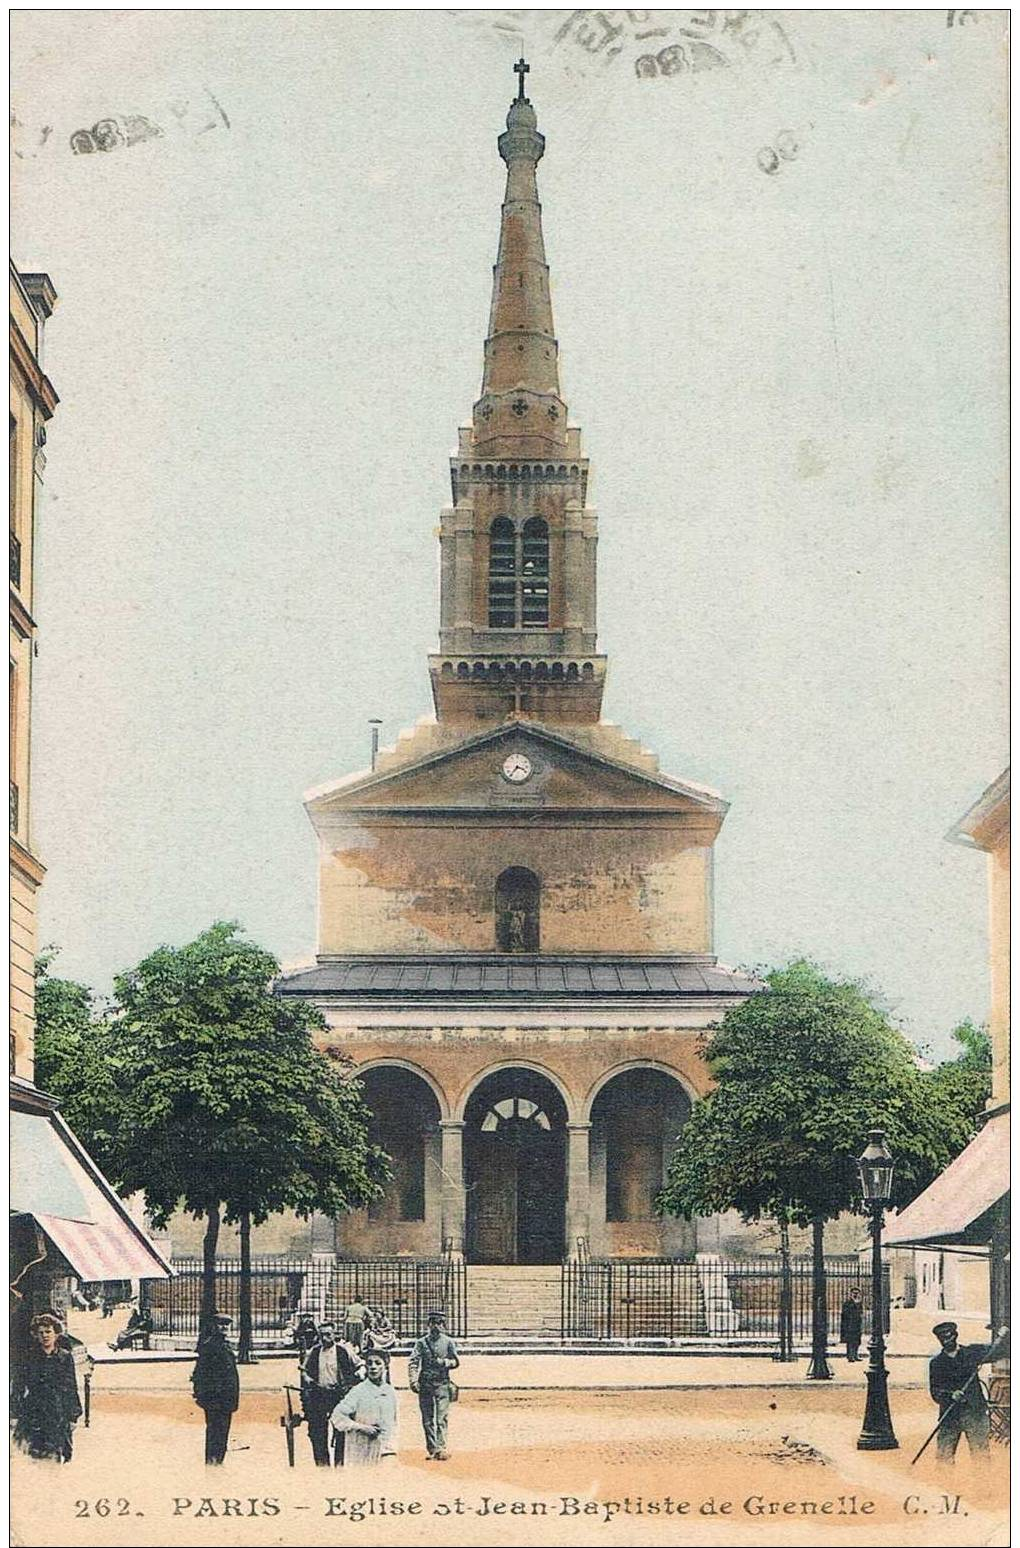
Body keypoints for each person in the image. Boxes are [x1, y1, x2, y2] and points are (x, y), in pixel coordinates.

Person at [12, 1313, 83, 1462]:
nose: (45, 1336)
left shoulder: (64, 1357)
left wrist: (73, 1416)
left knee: (56, 1453)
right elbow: (19, 1385)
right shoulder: (29, 1357)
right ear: (36, 1335)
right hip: (33, 1411)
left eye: (48, 1331)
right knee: (32, 1454)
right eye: (41, 1332)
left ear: (56, 1333)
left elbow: (70, 1387)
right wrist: (14, 1413)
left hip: (57, 1412)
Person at [928, 1321, 992, 1464]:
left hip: (974, 1412)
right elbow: (935, 1391)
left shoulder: (971, 1353)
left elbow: (996, 1351)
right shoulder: (937, 1363)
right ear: (939, 1340)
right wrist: (951, 1395)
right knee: (944, 1457)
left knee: (981, 1456)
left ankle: (983, 1485)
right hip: (950, 1414)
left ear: (955, 1336)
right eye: (943, 1339)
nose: (947, 1341)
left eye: (949, 1337)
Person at [300, 1321, 363, 1466]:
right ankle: (322, 1465)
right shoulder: (314, 1351)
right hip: (320, 1394)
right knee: (317, 1431)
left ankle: (340, 1463)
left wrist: (359, 1373)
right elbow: (304, 1370)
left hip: (339, 1395)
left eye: (328, 1334)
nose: (325, 1338)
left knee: (342, 1430)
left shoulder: (344, 1350)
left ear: (334, 1335)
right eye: (322, 1335)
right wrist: (307, 1379)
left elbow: (360, 1364)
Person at [329, 1351, 398, 1466]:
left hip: (385, 1451)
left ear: (385, 1366)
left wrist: (391, 1448)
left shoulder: (390, 1392)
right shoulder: (358, 1391)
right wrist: (362, 1428)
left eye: (377, 1363)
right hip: (361, 1451)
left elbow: (394, 1423)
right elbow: (337, 1416)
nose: (373, 1367)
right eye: (369, 1363)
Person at [408, 1310, 459, 1461]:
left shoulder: (448, 1342)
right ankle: (432, 1449)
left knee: (441, 1417)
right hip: (426, 1384)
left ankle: (441, 1447)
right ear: (428, 1325)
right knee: (427, 1419)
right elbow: (414, 1362)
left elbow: (456, 1361)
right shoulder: (421, 1343)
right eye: (433, 1323)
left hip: (442, 1382)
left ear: (443, 1325)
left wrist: (445, 1362)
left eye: (439, 1323)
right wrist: (413, 1380)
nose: (436, 1326)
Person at [190, 1313, 240, 1465]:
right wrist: (205, 1396)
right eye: (221, 1324)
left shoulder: (224, 1344)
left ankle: (217, 1461)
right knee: (215, 1433)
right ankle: (213, 1462)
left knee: (221, 1433)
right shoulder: (210, 1346)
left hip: (226, 1399)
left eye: (227, 1325)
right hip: (216, 1399)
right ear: (214, 1326)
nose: (224, 1327)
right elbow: (201, 1372)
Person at [839, 1287, 863, 1362]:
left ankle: (855, 1355)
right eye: (854, 1293)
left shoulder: (859, 1303)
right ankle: (850, 1356)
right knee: (850, 1341)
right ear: (851, 1294)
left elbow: (861, 1313)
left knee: (857, 1341)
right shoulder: (847, 1303)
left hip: (857, 1324)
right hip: (849, 1325)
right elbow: (845, 1314)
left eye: (857, 1293)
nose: (855, 1295)